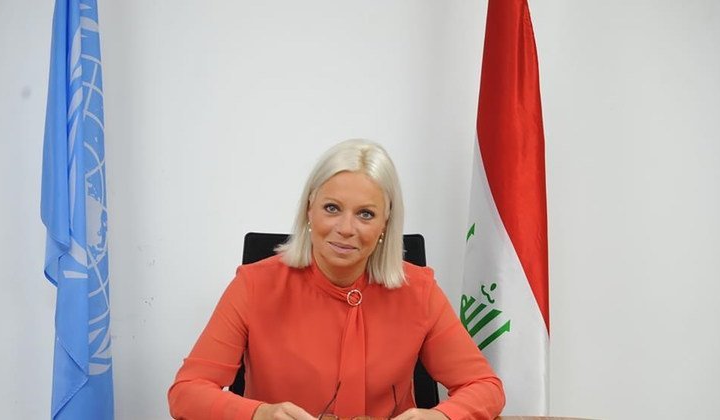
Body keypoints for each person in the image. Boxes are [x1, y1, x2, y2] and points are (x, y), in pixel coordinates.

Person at [168, 139, 505, 419]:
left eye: (365, 214)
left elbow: (485, 387)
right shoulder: (254, 285)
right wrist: (259, 414)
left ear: (385, 224)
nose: (346, 228)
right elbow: (187, 393)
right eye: (332, 208)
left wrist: (442, 416)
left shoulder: (419, 291)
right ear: (309, 209)